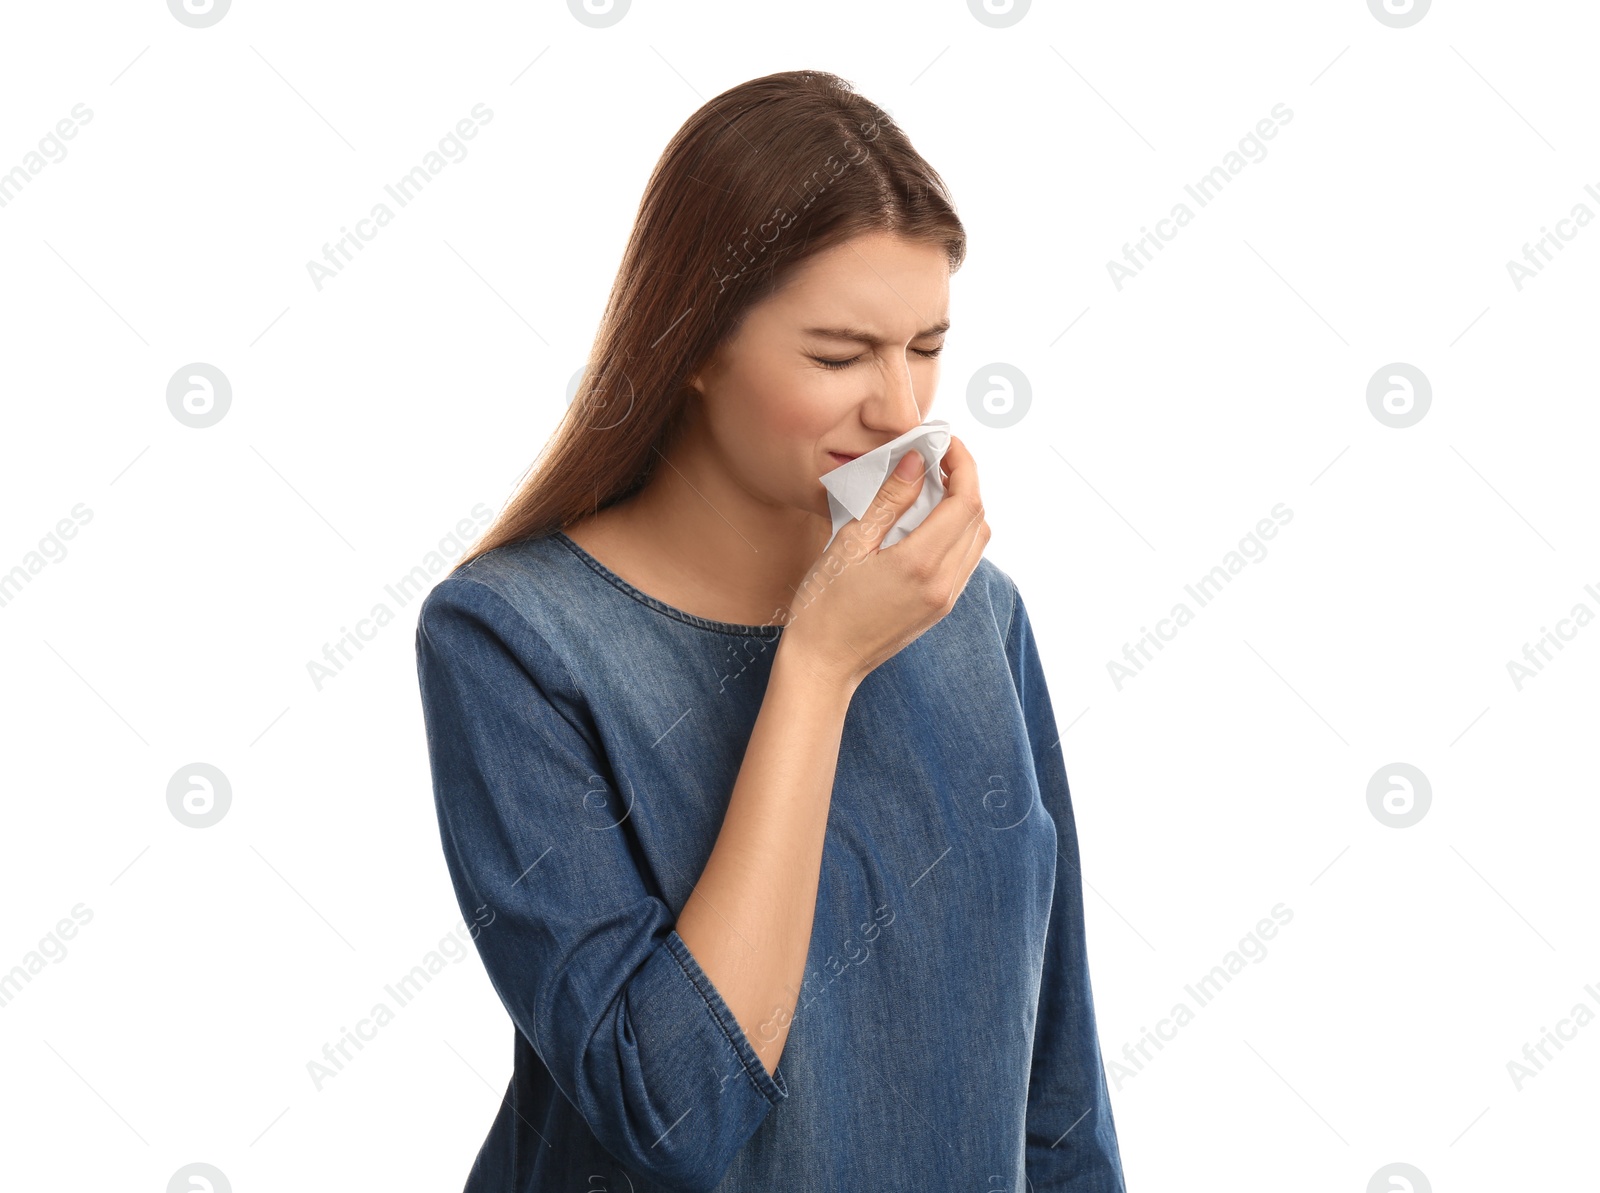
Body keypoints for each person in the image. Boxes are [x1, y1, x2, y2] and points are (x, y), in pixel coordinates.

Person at [414, 68, 1126, 1192]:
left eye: (926, 345)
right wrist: (818, 665)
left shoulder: (975, 614)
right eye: (839, 355)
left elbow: (1060, 1103)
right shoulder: (511, 641)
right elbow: (676, 1111)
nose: (899, 407)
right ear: (692, 346)